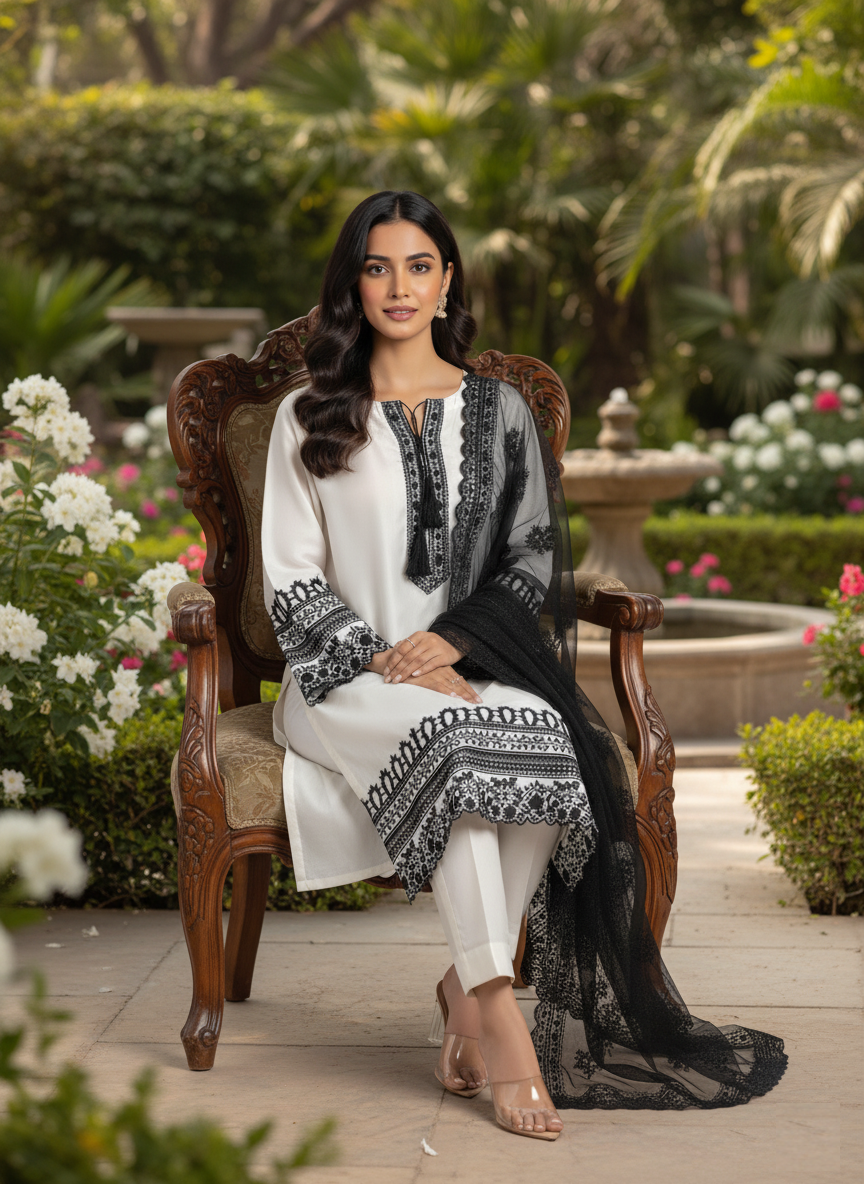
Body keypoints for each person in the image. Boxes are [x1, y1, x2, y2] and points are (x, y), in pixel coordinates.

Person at [261, 190, 787, 1142]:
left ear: (448, 279)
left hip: (471, 663)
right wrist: (386, 659)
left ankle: (464, 986)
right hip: (340, 684)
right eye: (377, 267)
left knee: (544, 734)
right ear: (352, 283)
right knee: (466, 745)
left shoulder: (497, 411)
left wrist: (449, 643)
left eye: (419, 266)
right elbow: (288, 577)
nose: (399, 286)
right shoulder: (311, 414)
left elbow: (533, 560)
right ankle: (500, 1012)